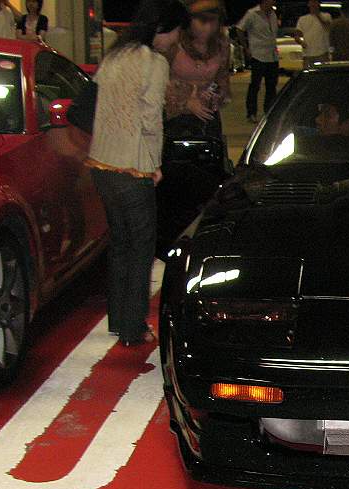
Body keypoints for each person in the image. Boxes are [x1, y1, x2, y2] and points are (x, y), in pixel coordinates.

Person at [85, 0, 188, 347]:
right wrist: (154, 165)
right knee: (141, 248)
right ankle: (133, 328)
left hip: (101, 162)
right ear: (162, 28)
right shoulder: (154, 62)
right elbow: (150, 118)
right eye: (176, 31)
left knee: (120, 244)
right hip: (133, 165)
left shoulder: (115, 55)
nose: (176, 39)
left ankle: (118, 319)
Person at [164, 0, 230, 139]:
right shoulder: (174, 44)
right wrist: (185, 101)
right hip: (174, 117)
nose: (208, 28)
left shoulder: (221, 45)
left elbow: (222, 80)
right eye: (202, 22)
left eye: (214, 22)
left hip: (206, 115)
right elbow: (159, 81)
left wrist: (213, 95)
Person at [236, 0, 280, 123]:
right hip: (258, 54)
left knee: (271, 86)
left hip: (272, 55)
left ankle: (269, 111)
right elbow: (240, 29)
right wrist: (246, 47)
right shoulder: (252, 13)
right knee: (255, 85)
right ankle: (251, 112)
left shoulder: (273, 14)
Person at [295, 0, 331, 68]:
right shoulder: (302, 19)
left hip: (322, 53)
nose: (313, 4)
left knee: (322, 72)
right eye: (311, 2)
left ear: (318, 4)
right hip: (308, 54)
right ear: (308, 4)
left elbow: (328, 27)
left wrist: (318, 15)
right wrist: (301, 42)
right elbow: (297, 35)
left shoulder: (326, 16)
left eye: (315, 2)